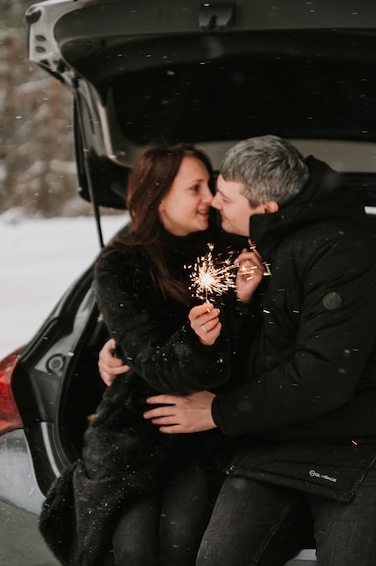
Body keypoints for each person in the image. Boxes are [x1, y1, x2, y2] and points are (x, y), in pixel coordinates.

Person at [138, 135, 376, 566]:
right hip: (275, 442)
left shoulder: (338, 250)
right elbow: (245, 345)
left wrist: (218, 412)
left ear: (267, 208)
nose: (214, 203)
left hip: (361, 446)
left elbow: (323, 376)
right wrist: (121, 350)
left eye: (225, 196)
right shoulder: (261, 247)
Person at [39, 142, 251, 566]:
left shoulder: (232, 253)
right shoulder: (121, 265)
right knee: (131, 546)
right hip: (135, 432)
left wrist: (242, 303)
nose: (209, 197)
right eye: (195, 188)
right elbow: (152, 358)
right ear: (158, 194)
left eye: (209, 185)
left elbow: (250, 351)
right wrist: (191, 343)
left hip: (209, 431)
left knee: (181, 538)